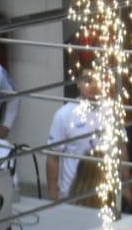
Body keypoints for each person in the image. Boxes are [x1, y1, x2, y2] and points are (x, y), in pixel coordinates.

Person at [46, 68, 107, 203]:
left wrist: (126, 187)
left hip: (106, 190)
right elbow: (52, 156)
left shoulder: (111, 111)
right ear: (78, 83)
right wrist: (53, 196)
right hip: (72, 193)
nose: (93, 85)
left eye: (98, 80)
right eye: (88, 81)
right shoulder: (64, 114)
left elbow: (121, 148)